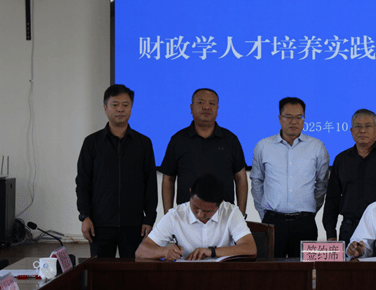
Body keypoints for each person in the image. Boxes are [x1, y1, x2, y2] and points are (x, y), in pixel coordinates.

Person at [75, 84, 158, 258]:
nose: (120, 109)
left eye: (125, 105)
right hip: (99, 224)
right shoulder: (92, 142)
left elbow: (150, 184)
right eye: (115, 104)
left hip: (134, 224)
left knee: (133, 271)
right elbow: (83, 182)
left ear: (131, 108)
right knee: (101, 272)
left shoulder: (143, 143)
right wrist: (85, 216)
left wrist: (149, 219)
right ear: (105, 108)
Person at [251, 97, 330, 258]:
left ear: (304, 118)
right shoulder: (263, 146)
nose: (294, 121)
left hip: (304, 224)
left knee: (305, 270)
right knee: (271, 269)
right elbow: (257, 181)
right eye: (288, 117)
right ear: (280, 118)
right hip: (273, 221)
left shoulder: (317, 147)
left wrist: (310, 210)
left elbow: (322, 184)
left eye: (299, 117)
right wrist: (263, 213)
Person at [160, 88, 248, 216]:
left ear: (217, 109)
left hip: (224, 216)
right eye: (201, 102)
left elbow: (241, 178)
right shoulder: (178, 140)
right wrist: (168, 216)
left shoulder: (230, 140)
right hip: (187, 217)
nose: (206, 107)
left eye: (212, 103)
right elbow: (168, 179)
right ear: (191, 108)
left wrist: (241, 214)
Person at [323, 109, 376, 244]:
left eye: (367, 126)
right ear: (351, 131)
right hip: (349, 228)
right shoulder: (342, 159)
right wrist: (331, 234)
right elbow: (332, 199)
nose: (362, 130)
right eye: (358, 126)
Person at [136, 174, 256, 261]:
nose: (200, 214)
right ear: (190, 192)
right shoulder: (175, 215)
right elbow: (141, 251)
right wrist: (165, 251)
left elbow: (250, 248)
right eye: (195, 207)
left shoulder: (231, 212)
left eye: (207, 211)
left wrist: (212, 252)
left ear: (221, 203)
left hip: (222, 275)